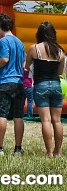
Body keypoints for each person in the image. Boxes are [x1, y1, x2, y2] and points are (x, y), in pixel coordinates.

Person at [0, 13, 26, 156]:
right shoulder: (19, 42)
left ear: (0, 27)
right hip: (19, 82)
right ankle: (18, 148)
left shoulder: (4, 41)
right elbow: (23, 63)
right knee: (18, 116)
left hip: (4, 82)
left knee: (1, 115)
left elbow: (4, 59)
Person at [24, 21, 65, 157]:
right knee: (57, 120)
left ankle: (49, 152)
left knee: (46, 120)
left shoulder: (34, 48)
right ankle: (58, 152)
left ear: (39, 34)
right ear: (53, 34)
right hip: (56, 85)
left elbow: (27, 66)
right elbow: (60, 72)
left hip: (41, 85)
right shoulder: (60, 52)